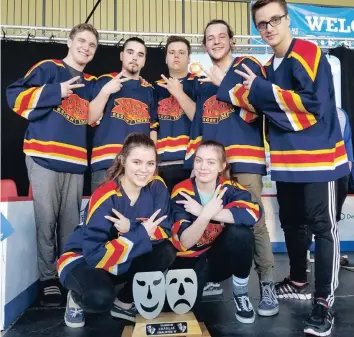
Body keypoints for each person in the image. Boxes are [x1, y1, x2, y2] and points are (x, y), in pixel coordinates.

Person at [232, 0, 350, 335]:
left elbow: (312, 105)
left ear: (287, 20)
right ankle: (299, 280)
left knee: (323, 228)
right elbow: (255, 105)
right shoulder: (268, 68)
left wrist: (260, 92)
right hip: (286, 164)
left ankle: (323, 301)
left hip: (320, 162)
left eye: (274, 20)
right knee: (293, 223)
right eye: (261, 24)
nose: (268, 28)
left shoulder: (308, 52)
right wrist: (249, 93)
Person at [185, 19, 278, 316]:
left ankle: (267, 284)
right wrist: (193, 161)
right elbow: (198, 125)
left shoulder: (247, 64)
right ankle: (216, 277)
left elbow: (258, 106)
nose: (215, 41)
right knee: (212, 217)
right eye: (209, 38)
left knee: (253, 222)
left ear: (231, 40)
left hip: (246, 159)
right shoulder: (202, 81)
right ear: (204, 44)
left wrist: (222, 82)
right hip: (214, 164)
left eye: (221, 36)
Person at [6, 23, 99, 306]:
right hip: (43, 157)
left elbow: (93, 118)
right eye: (81, 40)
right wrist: (55, 91)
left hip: (74, 162)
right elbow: (15, 97)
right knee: (45, 221)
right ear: (69, 41)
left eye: (92, 45)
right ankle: (47, 278)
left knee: (70, 226)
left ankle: (66, 275)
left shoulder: (91, 82)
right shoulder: (49, 68)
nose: (86, 47)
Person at [57, 133, 176, 328]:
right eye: (137, 162)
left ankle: (123, 302)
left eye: (150, 164)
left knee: (166, 251)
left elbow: (164, 230)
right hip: (83, 258)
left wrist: (131, 227)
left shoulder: (157, 187)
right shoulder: (105, 195)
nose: (144, 171)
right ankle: (76, 296)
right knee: (99, 297)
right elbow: (94, 255)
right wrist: (140, 233)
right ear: (123, 160)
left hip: (119, 255)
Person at [170, 140, 260, 324]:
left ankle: (240, 293)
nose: (203, 167)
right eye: (199, 160)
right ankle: (204, 285)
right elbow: (185, 242)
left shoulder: (230, 188)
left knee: (241, 234)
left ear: (222, 166)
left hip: (218, 262)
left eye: (211, 162)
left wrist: (203, 211)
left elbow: (253, 213)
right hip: (189, 260)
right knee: (183, 314)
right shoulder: (182, 191)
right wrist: (206, 215)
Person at [88, 37, 158, 192]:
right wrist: (106, 91)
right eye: (130, 52)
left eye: (140, 55)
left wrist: (152, 164)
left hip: (139, 167)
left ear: (144, 61)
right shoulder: (105, 81)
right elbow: (89, 118)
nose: (134, 57)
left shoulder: (149, 90)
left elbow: (153, 128)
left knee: (135, 215)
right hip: (105, 163)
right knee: (101, 214)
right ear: (121, 55)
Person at [307, 107, 354, 270]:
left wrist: (347, 172)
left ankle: (334, 253)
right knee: (310, 216)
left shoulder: (341, 114)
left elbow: (347, 144)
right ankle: (303, 257)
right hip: (316, 171)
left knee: (334, 216)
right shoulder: (307, 110)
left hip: (340, 172)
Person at [154, 36, 198, 192]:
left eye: (181, 52)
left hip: (192, 165)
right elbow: (151, 127)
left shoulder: (199, 83)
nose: (176, 56)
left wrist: (179, 93)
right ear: (166, 58)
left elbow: (199, 119)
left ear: (189, 58)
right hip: (161, 165)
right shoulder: (155, 88)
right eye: (172, 52)